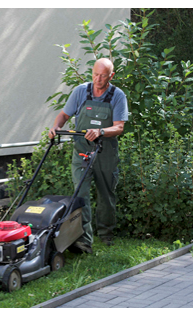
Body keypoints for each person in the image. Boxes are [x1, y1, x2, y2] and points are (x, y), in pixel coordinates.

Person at [48, 58, 128, 254]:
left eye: (102, 75)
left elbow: (119, 126)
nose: (98, 79)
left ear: (111, 76)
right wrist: (56, 127)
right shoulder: (81, 91)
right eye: (95, 74)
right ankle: (84, 240)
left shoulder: (117, 96)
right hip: (81, 151)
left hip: (105, 152)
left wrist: (100, 131)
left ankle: (106, 234)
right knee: (80, 194)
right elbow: (64, 115)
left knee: (106, 194)